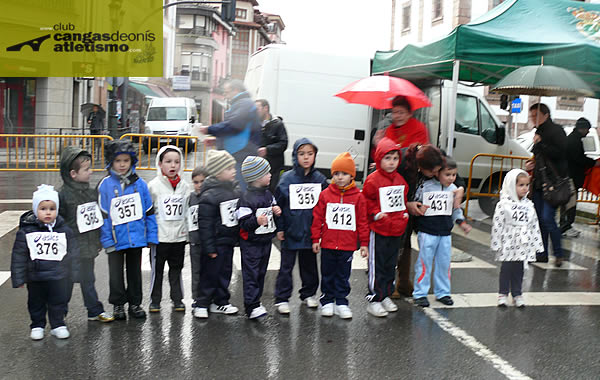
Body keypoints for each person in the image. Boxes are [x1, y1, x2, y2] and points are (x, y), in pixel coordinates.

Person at [98, 140, 158, 320]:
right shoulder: (105, 185)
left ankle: (135, 303)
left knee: (134, 272)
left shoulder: (140, 184)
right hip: (116, 238)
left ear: (132, 161)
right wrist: (107, 240)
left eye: (126, 160)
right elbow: (103, 216)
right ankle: (118, 304)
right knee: (115, 273)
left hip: (136, 237)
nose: (122, 164)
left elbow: (149, 211)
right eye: (118, 161)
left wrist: (151, 235)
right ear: (111, 162)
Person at [11, 185, 80, 340]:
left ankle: (58, 324)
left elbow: (73, 252)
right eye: (43, 208)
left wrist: (75, 273)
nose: (48, 212)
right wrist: (19, 278)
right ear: (36, 210)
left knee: (58, 301)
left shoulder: (64, 230)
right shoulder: (27, 231)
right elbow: (19, 256)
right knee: (36, 302)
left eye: (52, 208)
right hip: (35, 277)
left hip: (59, 276)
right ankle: (37, 325)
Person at [311, 152, 369, 319]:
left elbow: (362, 221)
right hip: (328, 243)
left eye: (344, 174)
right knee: (328, 273)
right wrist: (316, 239)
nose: (340, 177)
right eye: (336, 173)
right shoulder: (325, 195)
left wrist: (364, 243)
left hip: (347, 245)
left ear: (352, 175)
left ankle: (341, 301)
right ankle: (327, 300)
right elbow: (317, 218)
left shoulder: (358, 197)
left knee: (343, 274)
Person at [58, 147, 114, 323]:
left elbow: (96, 219)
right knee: (65, 284)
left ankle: (93, 310)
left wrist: (98, 240)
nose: (91, 172)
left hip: (88, 247)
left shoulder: (91, 193)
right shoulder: (62, 195)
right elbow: (57, 223)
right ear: (73, 173)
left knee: (88, 279)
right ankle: (59, 314)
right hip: (70, 249)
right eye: (87, 169)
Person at [273, 138, 328, 314]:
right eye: (302, 154)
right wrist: (280, 227)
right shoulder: (286, 179)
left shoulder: (320, 179)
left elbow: (326, 205)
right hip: (291, 230)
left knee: (310, 264)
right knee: (286, 266)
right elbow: (278, 206)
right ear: (295, 156)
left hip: (311, 232)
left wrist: (321, 230)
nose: (306, 158)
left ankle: (308, 294)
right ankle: (282, 298)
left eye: (310, 154)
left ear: (315, 156)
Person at [411, 157, 471, 307]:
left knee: (444, 264)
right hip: (427, 231)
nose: (451, 178)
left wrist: (461, 222)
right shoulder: (425, 186)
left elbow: (455, 209)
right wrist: (418, 209)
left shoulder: (453, 190)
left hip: (445, 232)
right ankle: (420, 293)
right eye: (447, 174)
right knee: (424, 263)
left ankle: (443, 292)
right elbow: (415, 202)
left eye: (454, 175)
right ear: (437, 173)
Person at [361, 138, 409, 317]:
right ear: (379, 158)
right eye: (387, 158)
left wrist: (404, 213)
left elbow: (401, 201)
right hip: (379, 228)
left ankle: (386, 294)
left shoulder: (400, 180)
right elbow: (367, 201)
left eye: (395, 158)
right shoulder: (372, 180)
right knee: (376, 264)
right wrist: (376, 213)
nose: (391, 162)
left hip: (395, 229)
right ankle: (374, 298)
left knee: (390, 264)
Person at [194, 150, 241, 319]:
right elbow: (205, 224)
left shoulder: (235, 190)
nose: (233, 170)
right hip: (215, 243)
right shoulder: (209, 195)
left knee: (225, 273)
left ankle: (221, 302)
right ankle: (202, 303)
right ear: (218, 172)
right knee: (209, 274)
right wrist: (209, 247)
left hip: (228, 242)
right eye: (229, 168)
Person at [236, 156, 282, 319]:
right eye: (266, 172)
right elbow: (243, 223)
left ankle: (256, 301)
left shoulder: (268, 194)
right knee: (251, 274)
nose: (270, 175)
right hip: (251, 244)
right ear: (256, 177)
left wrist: (276, 210)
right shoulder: (246, 198)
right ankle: (251, 305)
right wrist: (256, 221)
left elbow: (273, 208)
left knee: (261, 272)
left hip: (265, 241)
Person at [491, 169, 543, 308]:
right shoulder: (503, 204)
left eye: (527, 185)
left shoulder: (529, 205)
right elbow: (498, 224)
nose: (525, 188)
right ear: (511, 185)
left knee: (519, 268)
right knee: (506, 268)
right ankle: (503, 294)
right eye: (521, 185)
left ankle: (517, 294)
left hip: (522, 242)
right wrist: (496, 243)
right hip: (508, 240)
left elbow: (534, 224)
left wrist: (537, 244)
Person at [148, 146, 191, 313]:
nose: (173, 165)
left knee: (177, 269)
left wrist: (187, 233)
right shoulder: (153, 186)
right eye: (168, 162)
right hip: (160, 237)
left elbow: (187, 212)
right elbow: (149, 212)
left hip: (179, 237)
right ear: (160, 164)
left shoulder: (185, 187)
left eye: (177, 162)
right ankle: (155, 300)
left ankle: (177, 299)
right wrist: (149, 235)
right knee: (157, 271)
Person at [525, 103, 567, 267]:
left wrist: (541, 143)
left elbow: (560, 154)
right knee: (538, 220)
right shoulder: (538, 132)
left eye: (535, 115)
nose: (532, 119)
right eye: (531, 116)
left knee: (548, 218)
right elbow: (539, 156)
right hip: (539, 183)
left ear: (546, 115)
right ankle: (541, 253)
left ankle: (558, 253)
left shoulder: (557, 131)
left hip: (553, 183)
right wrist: (531, 165)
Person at [199, 80, 262, 190]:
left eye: (226, 92)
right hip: (238, 153)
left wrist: (209, 129)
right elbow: (237, 129)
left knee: (238, 190)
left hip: (240, 154)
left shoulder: (245, 104)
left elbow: (234, 125)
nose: (224, 95)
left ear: (236, 90)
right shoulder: (242, 104)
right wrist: (216, 140)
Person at [561, 118, 600, 237]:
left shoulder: (573, 138)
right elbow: (578, 158)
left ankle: (565, 225)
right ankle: (566, 226)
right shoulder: (574, 141)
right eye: (587, 129)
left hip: (569, 175)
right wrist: (593, 163)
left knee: (568, 202)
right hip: (572, 176)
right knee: (570, 203)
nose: (588, 132)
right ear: (581, 128)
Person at [255, 99, 288, 193]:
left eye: (257, 108)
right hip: (259, 169)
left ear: (265, 108)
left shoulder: (278, 124)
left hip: (274, 169)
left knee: (272, 194)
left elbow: (283, 144)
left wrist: (267, 150)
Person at [188, 165, 209, 308]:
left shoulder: (211, 197)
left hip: (209, 241)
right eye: (196, 182)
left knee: (209, 270)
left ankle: (209, 297)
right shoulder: (190, 198)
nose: (199, 185)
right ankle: (196, 298)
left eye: (202, 181)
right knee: (196, 271)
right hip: (195, 241)